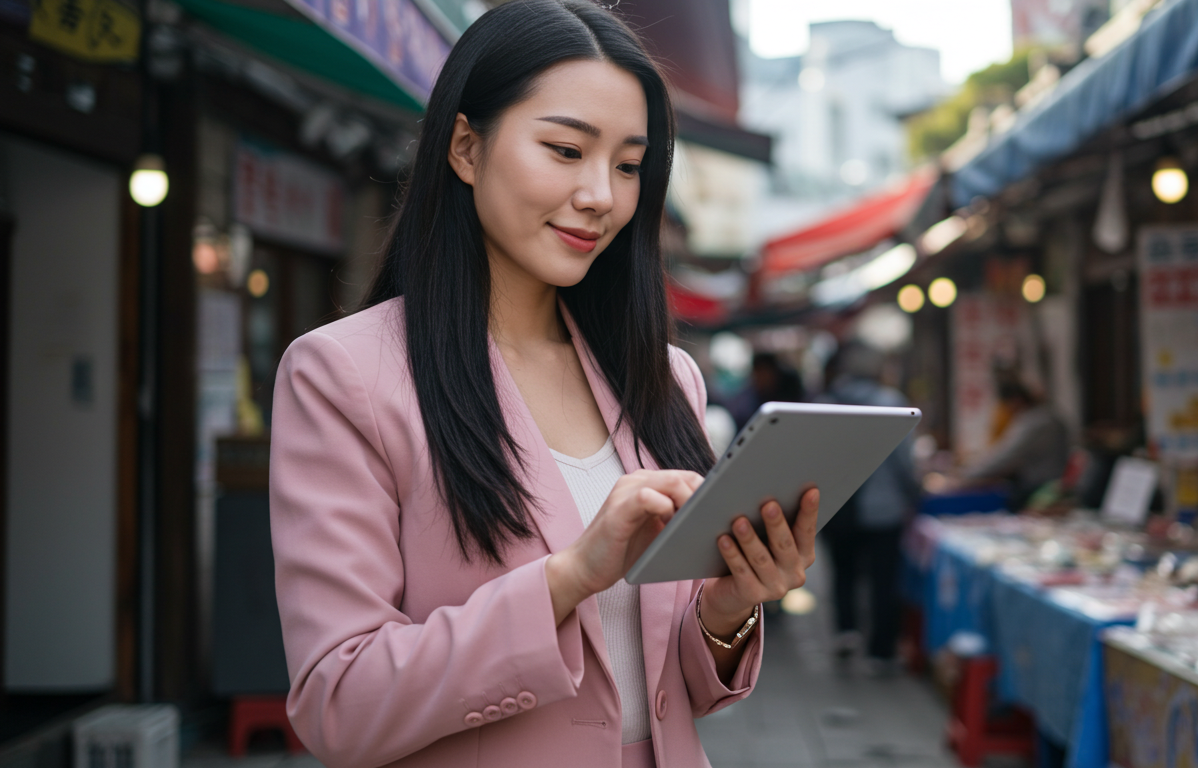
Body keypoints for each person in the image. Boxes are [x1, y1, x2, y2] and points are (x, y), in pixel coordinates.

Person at [268, 3, 819, 766]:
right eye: (566, 150)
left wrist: (728, 610)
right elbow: (339, 704)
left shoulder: (664, 379)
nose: (602, 195)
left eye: (629, 165)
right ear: (466, 146)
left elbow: (670, 689)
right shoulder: (343, 376)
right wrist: (567, 578)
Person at [818, 343, 921, 672]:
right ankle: (881, 650)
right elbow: (905, 462)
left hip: (837, 507)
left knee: (843, 573)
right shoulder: (891, 404)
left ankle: (846, 632)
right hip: (884, 509)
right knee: (883, 580)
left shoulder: (824, 405)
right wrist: (914, 494)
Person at [960, 378, 1070, 509]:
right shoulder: (1045, 416)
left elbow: (1005, 456)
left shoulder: (1036, 422)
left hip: (1042, 488)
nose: (1006, 411)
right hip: (1046, 483)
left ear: (1016, 400)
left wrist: (966, 475)